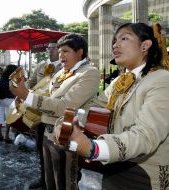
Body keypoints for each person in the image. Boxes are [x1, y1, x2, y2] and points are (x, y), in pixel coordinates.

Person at [55, 23, 169, 190]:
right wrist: (71, 121)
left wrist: (93, 148)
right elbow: (95, 106)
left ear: (145, 45)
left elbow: (146, 135)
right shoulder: (119, 80)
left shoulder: (162, 80)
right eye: (115, 40)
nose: (115, 44)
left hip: (143, 175)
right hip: (112, 165)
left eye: (124, 38)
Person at [10, 33, 100, 190]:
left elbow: (65, 106)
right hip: (46, 132)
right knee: (50, 179)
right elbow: (47, 96)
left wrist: (27, 96)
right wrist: (25, 99)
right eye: (59, 52)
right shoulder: (60, 73)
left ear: (80, 52)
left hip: (67, 135)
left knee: (65, 183)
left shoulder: (89, 72)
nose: (60, 56)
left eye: (65, 51)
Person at [26, 40, 62, 189]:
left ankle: (59, 181)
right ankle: (44, 178)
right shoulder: (41, 65)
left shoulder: (65, 66)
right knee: (40, 148)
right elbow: (31, 81)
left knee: (58, 152)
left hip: (56, 114)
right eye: (49, 48)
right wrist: (25, 90)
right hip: (39, 113)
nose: (50, 51)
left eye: (54, 48)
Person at [0, 64, 17, 143]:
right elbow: (14, 91)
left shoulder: (0, 78)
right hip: (9, 100)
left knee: (0, 116)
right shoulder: (11, 79)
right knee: (9, 118)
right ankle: (6, 136)